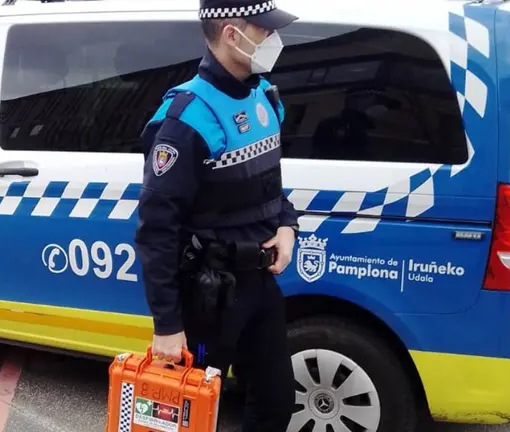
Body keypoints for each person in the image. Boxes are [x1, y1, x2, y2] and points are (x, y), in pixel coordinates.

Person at [134, 0, 299, 430]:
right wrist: (167, 325)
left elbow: (271, 183)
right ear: (231, 34)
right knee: (186, 418)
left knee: (277, 403)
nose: (273, 40)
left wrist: (287, 223)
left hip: (260, 284)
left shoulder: (266, 95)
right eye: (265, 30)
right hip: (209, 295)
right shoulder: (187, 119)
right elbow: (156, 232)